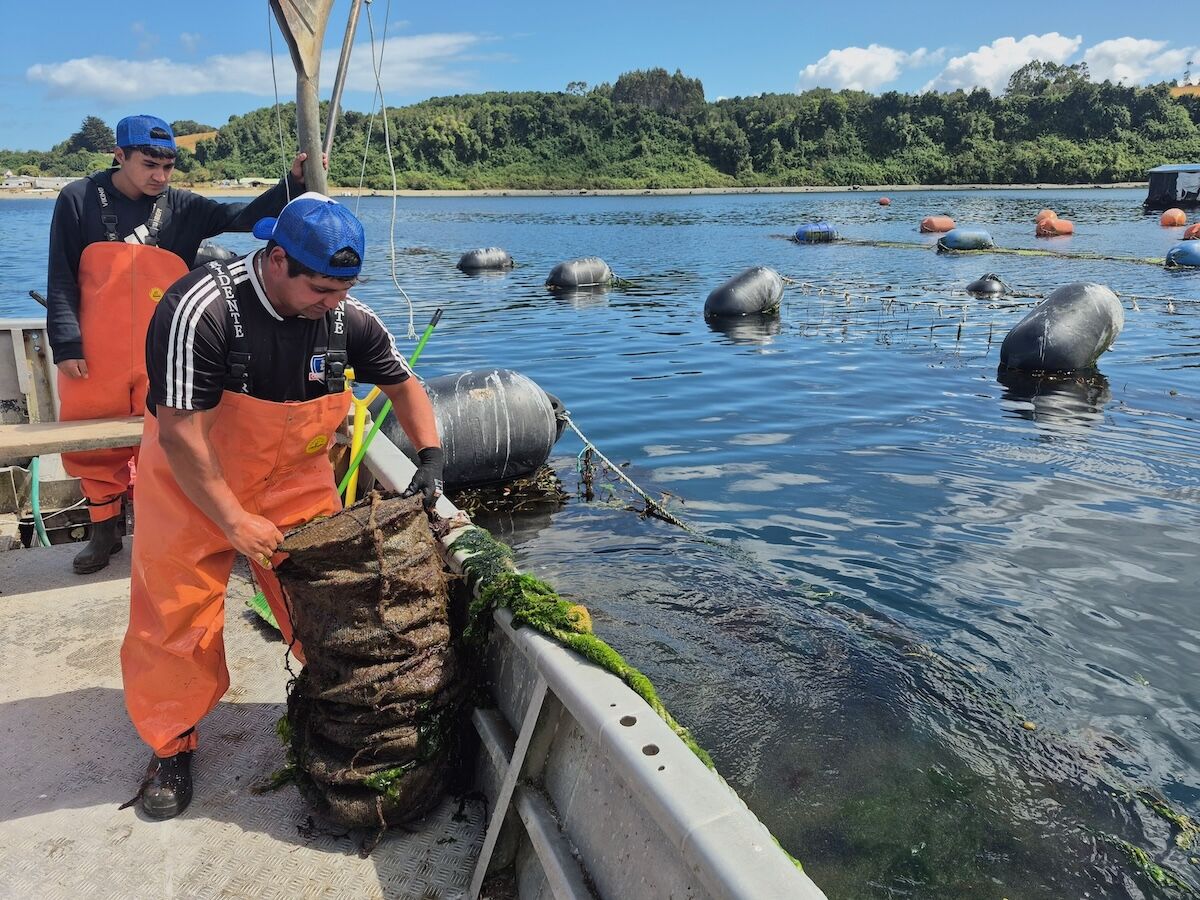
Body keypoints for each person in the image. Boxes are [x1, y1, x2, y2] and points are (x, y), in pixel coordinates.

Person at [120, 192, 444, 820]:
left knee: (329, 603)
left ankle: (333, 712)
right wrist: (234, 521)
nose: (336, 301)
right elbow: (182, 434)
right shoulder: (203, 308)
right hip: (190, 486)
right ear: (276, 260)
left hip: (295, 485)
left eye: (346, 286)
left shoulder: (349, 317)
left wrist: (430, 456)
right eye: (323, 287)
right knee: (175, 616)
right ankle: (171, 742)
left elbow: (404, 385)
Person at [46, 113, 316, 575]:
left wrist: (291, 183)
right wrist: (67, 343)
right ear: (119, 155)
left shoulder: (181, 206)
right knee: (94, 447)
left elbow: (241, 216)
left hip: (163, 345)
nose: (160, 176)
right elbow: (61, 275)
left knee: (167, 440)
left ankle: (163, 528)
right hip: (97, 349)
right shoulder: (78, 199)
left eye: (168, 167)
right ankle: (104, 533)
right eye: (149, 165)